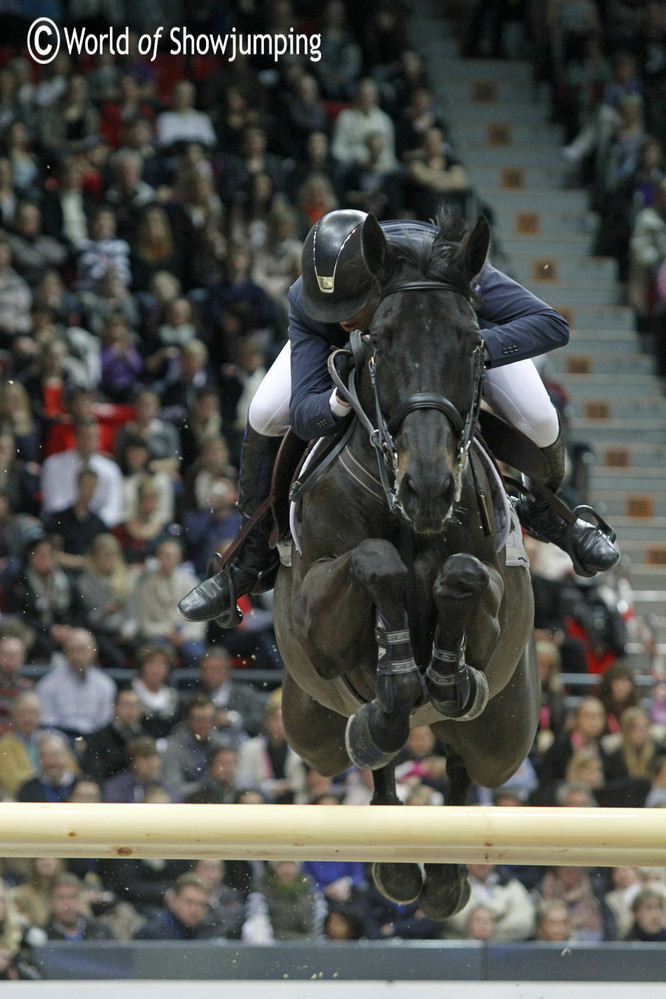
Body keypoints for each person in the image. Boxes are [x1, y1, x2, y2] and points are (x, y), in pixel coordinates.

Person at [178, 208, 621, 628]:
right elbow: (302, 411)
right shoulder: (309, 298)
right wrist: (338, 400)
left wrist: (463, 345)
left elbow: (549, 325)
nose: (345, 321)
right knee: (261, 411)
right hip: (362, 365)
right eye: (334, 313)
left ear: (379, 278)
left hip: (455, 342)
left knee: (541, 420)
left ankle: (552, 516)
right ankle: (251, 556)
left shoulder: (444, 262)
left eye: (355, 308)